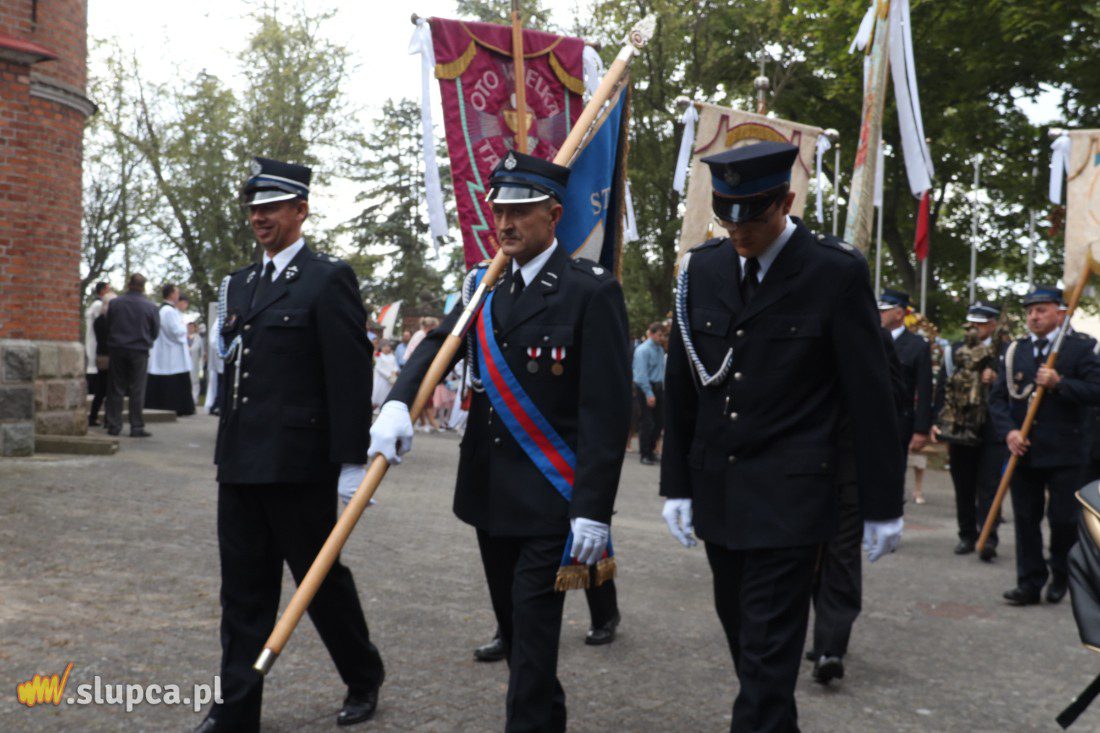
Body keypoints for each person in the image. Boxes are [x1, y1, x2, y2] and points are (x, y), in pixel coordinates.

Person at [370, 150, 632, 732]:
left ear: (554, 215)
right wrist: (396, 401)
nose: (506, 223)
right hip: (490, 498)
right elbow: (439, 344)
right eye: (500, 211)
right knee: (518, 640)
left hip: (550, 504)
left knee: (534, 648)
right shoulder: (485, 287)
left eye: (522, 211)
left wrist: (592, 510)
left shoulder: (590, 293)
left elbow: (606, 412)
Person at [659, 141, 904, 732]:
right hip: (719, 492)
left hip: (793, 500)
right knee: (749, 646)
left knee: (768, 653)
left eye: (754, 215)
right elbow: (684, 388)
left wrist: (881, 504)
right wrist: (678, 486)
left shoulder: (834, 271)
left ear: (787, 202)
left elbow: (873, 397)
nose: (739, 230)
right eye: (727, 215)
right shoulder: (702, 267)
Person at [195, 157, 385, 733]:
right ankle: (237, 711)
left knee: (319, 583)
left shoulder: (328, 279)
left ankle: (363, 673)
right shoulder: (240, 284)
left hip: (300, 467)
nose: (261, 217)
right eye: (254, 207)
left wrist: (353, 462)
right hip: (242, 462)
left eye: (273, 207)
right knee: (243, 593)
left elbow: (349, 376)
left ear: (300, 211)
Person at [805, 327, 908, 686]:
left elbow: (895, 401)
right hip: (798, 467)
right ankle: (819, 636)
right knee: (804, 558)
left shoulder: (874, 335)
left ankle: (831, 646)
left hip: (848, 464)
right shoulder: (796, 321)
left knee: (842, 556)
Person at [988, 286, 1100, 607]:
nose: (1034, 316)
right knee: (1025, 518)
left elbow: (1096, 390)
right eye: (1030, 311)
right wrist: (1009, 432)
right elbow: (998, 399)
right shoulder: (1014, 351)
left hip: (1066, 450)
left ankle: (1061, 571)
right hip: (1025, 449)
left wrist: (1060, 384)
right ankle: (1029, 582)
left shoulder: (1079, 348)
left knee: (1063, 519)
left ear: (1060, 314)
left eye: (1042, 310)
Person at [932, 302, 1007, 561]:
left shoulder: (1005, 352)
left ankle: (988, 538)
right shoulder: (955, 351)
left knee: (989, 486)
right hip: (961, 426)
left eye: (980, 324)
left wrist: (997, 379)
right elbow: (942, 386)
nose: (974, 328)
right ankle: (966, 534)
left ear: (992, 324)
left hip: (992, 429)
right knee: (963, 483)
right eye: (971, 323)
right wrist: (936, 420)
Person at [879, 289, 934, 503]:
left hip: (898, 422)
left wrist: (921, 429)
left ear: (899, 313)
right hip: (869, 420)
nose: (879, 315)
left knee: (893, 477)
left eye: (884, 311)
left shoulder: (917, 346)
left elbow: (924, 389)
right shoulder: (872, 338)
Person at [104, 273, 159, 438]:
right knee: (137, 389)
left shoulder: (115, 303)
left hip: (118, 349)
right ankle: (136, 426)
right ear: (144, 287)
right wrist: (146, 340)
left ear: (128, 284)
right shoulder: (151, 307)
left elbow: (108, 325)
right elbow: (155, 331)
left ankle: (114, 425)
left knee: (116, 388)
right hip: (139, 350)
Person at [146, 284, 196, 416]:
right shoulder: (168, 311)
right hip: (171, 352)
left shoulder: (166, 310)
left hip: (168, 350)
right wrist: (184, 329)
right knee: (173, 379)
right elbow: (175, 331)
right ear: (171, 294)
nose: (178, 295)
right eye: (177, 293)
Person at [633, 322, 667, 465]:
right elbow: (641, 375)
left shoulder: (659, 350)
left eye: (663, 335)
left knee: (659, 422)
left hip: (659, 388)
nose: (661, 338)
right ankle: (644, 453)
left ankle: (651, 450)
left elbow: (661, 371)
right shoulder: (643, 350)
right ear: (651, 334)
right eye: (659, 335)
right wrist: (649, 393)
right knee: (647, 422)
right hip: (646, 387)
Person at [85, 281, 112, 423]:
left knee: (102, 390)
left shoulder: (100, 318)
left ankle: (95, 416)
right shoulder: (101, 316)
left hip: (101, 355)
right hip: (106, 356)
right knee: (106, 389)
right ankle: (106, 418)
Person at [373, 339, 398, 409]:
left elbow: (395, 365)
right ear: (381, 347)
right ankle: (376, 407)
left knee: (386, 394)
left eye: (388, 346)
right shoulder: (378, 355)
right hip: (381, 379)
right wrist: (388, 375)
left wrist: (394, 371)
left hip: (390, 380)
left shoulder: (392, 356)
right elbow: (379, 368)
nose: (387, 348)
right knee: (379, 394)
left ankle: (384, 407)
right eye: (385, 346)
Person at [188, 321, 205, 405]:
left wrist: (201, 364)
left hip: (195, 363)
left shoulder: (198, 338)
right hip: (186, 364)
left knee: (195, 382)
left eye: (192, 327)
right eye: (189, 327)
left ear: (195, 328)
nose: (190, 329)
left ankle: (195, 399)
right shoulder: (184, 337)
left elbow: (202, 353)